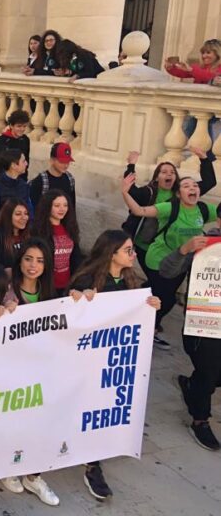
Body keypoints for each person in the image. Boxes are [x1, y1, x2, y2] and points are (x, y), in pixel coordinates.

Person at [69, 230, 162, 498]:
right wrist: (77, 298)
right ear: (112, 254)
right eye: (129, 250)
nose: (133, 255)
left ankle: (96, 456)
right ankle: (90, 462)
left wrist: (151, 307)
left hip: (114, 360)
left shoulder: (132, 281)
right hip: (88, 359)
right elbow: (69, 313)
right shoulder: (88, 279)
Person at [121, 173, 217, 348]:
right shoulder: (170, 207)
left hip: (180, 263)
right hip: (159, 260)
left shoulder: (203, 209)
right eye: (186, 185)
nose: (192, 188)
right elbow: (140, 211)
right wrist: (125, 192)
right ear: (179, 194)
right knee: (165, 299)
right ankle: (149, 330)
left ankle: (135, 306)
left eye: (194, 185)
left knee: (159, 292)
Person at [160, 234, 221, 451]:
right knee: (209, 371)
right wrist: (183, 250)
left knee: (214, 376)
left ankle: (192, 385)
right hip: (205, 324)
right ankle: (200, 420)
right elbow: (166, 271)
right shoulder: (203, 245)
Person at [121, 147, 216, 273]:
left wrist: (204, 159)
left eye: (172, 172)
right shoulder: (148, 192)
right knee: (154, 275)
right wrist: (131, 164)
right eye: (164, 172)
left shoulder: (182, 192)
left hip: (171, 248)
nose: (169, 174)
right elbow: (130, 189)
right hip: (146, 244)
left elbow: (209, 182)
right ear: (156, 178)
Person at [31, 189, 81, 295]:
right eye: (57, 205)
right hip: (45, 285)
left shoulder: (70, 228)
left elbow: (76, 257)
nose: (62, 209)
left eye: (65, 205)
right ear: (48, 206)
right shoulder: (38, 230)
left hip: (68, 285)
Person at [30, 142, 76, 208]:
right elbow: (33, 207)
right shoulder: (40, 181)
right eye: (62, 162)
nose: (66, 165)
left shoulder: (70, 178)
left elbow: (72, 205)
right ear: (52, 160)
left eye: (68, 162)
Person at [0, 110, 31, 179]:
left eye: (24, 126)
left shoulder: (25, 139)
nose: (22, 129)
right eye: (19, 126)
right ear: (11, 125)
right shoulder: (0, 141)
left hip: (21, 179)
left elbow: (26, 161)